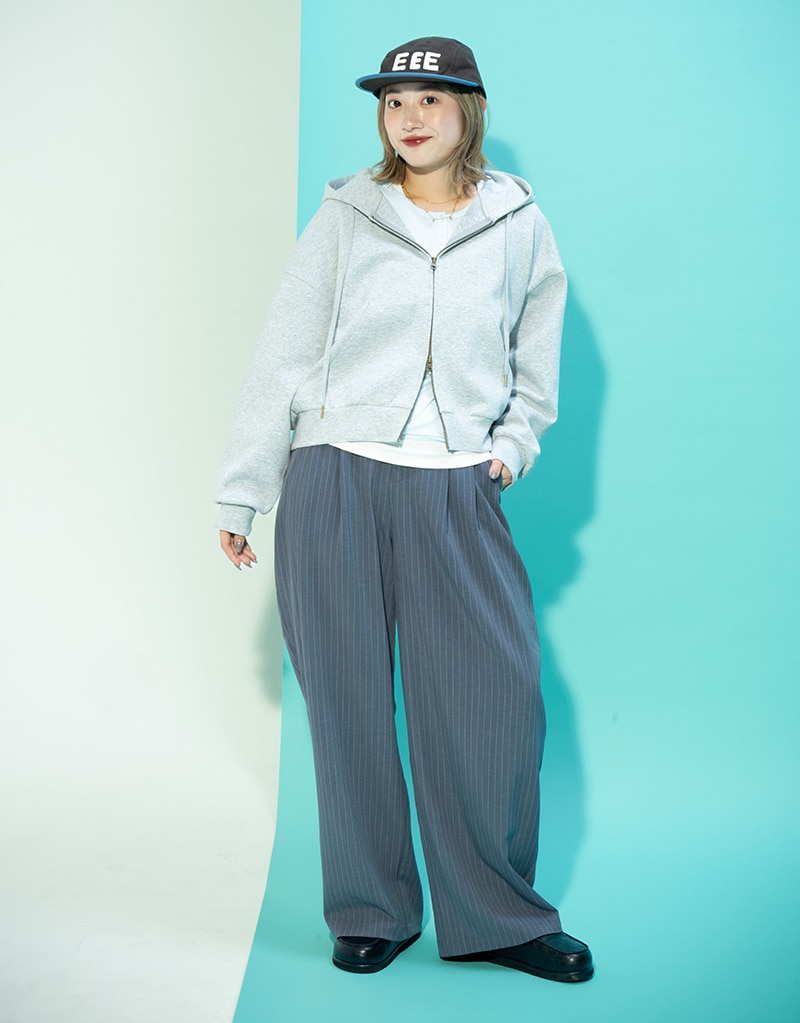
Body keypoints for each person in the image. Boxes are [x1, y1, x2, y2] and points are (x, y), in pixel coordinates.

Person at [216, 37, 593, 983]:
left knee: (494, 699)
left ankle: (499, 914)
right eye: (393, 101)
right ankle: (371, 909)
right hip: (334, 475)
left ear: (470, 110)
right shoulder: (347, 216)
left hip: (456, 479)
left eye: (430, 98)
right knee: (346, 706)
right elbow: (283, 351)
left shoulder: (517, 222)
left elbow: (538, 353)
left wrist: (511, 446)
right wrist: (245, 488)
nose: (410, 117)